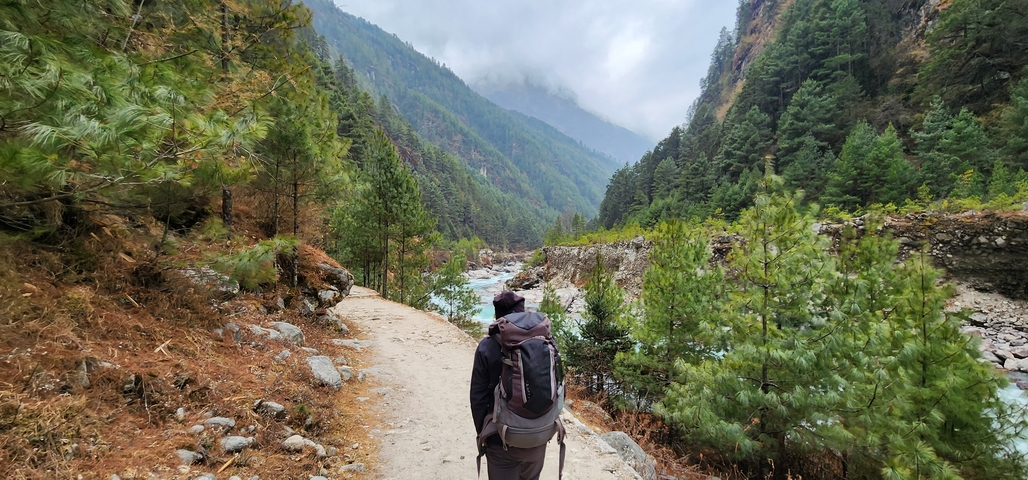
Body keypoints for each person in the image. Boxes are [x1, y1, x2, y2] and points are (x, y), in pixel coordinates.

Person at [470, 291, 547, 480]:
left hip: (501, 438)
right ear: (522, 310)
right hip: (538, 437)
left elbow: (478, 398)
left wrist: (483, 433)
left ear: (498, 316)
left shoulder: (487, 346)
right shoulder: (545, 342)